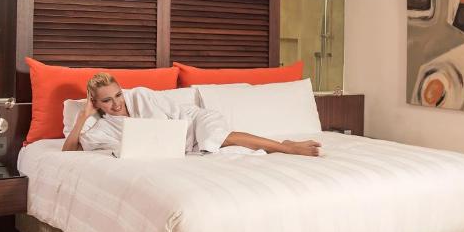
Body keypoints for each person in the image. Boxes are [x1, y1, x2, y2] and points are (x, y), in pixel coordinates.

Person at [62, 72, 321, 156]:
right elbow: (68, 150)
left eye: (118, 95)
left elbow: (175, 115)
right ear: (96, 103)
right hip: (184, 146)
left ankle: (286, 147)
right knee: (221, 145)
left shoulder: (140, 95)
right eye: (107, 101)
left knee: (218, 137)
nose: (117, 104)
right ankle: (280, 146)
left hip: (193, 121)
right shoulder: (103, 128)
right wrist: (83, 116)